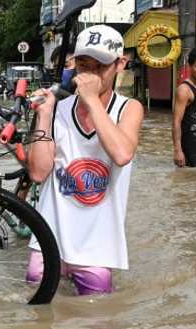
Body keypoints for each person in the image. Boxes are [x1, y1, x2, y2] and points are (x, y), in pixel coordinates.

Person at [26, 25, 143, 296]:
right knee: (37, 314)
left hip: (97, 247)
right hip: (49, 238)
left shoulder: (129, 108)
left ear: (120, 64)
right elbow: (38, 173)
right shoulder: (58, 110)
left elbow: (122, 154)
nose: (89, 74)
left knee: (96, 321)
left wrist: (91, 100)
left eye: (99, 66)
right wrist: (44, 115)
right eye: (82, 65)